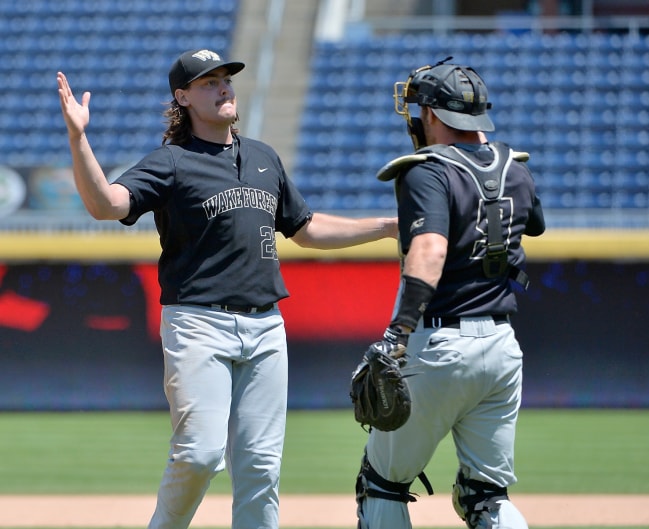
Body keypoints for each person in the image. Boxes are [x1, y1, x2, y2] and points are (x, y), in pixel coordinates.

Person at [57, 48, 397, 529]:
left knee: (260, 467)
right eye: (208, 82)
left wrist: (384, 226)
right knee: (199, 455)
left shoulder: (263, 156)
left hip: (265, 327)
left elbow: (305, 228)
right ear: (183, 97)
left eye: (225, 79)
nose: (223, 88)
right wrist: (78, 138)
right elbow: (106, 205)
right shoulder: (172, 162)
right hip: (198, 324)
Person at [353, 59, 546, 529]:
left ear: (434, 116)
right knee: (486, 495)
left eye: (420, 109)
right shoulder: (515, 167)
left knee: (382, 483)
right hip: (501, 349)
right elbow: (535, 225)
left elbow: (430, 249)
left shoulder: (427, 170)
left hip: (440, 344)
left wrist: (396, 333)